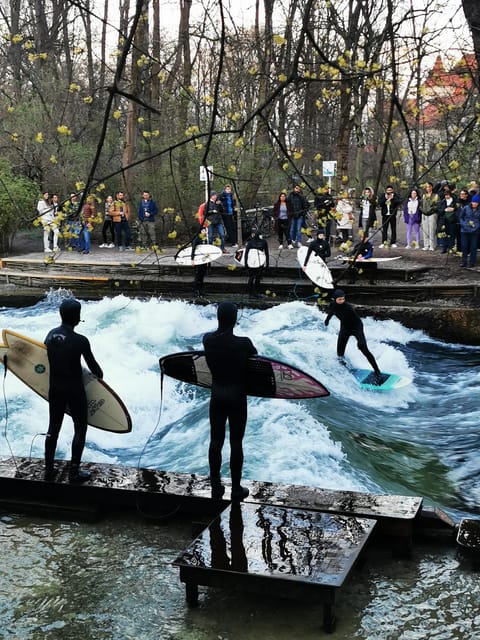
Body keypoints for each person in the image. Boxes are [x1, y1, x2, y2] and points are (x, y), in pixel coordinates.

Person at [44, 298, 103, 483]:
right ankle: (74, 472)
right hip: (74, 390)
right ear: (77, 317)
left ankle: (49, 470)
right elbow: (96, 370)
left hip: (55, 388)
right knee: (80, 428)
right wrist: (99, 374)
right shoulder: (81, 341)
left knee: (53, 428)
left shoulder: (50, 336)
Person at [203, 301, 257, 501]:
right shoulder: (244, 343)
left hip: (217, 395)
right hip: (237, 396)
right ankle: (236, 489)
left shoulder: (208, 340)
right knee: (236, 442)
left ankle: (216, 486)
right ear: (234, 320)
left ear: (218, 318)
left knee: (216, 441)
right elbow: (255, 356)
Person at [324, 289, 382, 383]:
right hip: (345, 328)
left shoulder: (348, 307)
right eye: (339, 299)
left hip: (356, 327)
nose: (342, 301)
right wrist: (327, 320)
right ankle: (345, 370)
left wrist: (359, 339)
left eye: (343, 299)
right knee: (340, 354)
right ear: (334, 299)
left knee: (363, 347)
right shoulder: (333, 305)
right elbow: (332, 311)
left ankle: (377, 372)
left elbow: (356, 322)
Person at [244, 230, 269, 298]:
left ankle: (252, 293)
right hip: (257, 262)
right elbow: (266, 253)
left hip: (254, 262)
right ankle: (254, 293)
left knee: (253, 277)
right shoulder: (263, 242)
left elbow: (246, 254)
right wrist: (267, 263)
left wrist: (245, 263)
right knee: (256, 277)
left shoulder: (250, 242)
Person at [459, 193, 480, 268]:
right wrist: (464, 225)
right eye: (474, 202)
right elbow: (461, 217)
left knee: (473, 247)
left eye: (477, 203)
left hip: (475, 231)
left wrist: (475, 227)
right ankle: (464, 262)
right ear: (471, 201)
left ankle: (472, 262)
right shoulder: (465, 208)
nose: (475, 204)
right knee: (464, 246)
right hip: (464, 230)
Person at [438, 183, 459, 254]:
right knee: (444, 234)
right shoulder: (443, 201)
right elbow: (439, 211)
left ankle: (451, 248)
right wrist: (444, 210)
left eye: (448, 195)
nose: (446, 196)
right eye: (445, 195)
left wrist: (453, 209)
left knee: (452, 234)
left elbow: (457, 209)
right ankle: (444, 248)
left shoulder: (454, 201)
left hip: (452, 220)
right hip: (444, 220)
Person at [421, 182, 439, 251]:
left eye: (429, 187)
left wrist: (431, 210)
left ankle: (432, 245)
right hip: (424, 214)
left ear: (432, 187)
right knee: (425, 230)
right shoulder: (423, 196)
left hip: (432, 214)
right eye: (427, 187)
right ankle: (426, 245)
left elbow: (437, 205)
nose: (428, 188)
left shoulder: (435, 195)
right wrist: (423, 210)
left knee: (432, 230)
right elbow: (421, 205)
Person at [191, 226, 209, 297]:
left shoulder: (206, 239)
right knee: (198, 275)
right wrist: (192, 259)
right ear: (200, 231)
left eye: (205, 231)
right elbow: (193, 250)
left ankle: (201, 290)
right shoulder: (197, 239)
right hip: (198, 260)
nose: (205, 232)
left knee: (202, 275)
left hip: (204, 260)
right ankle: (195, 290)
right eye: (203, 231)